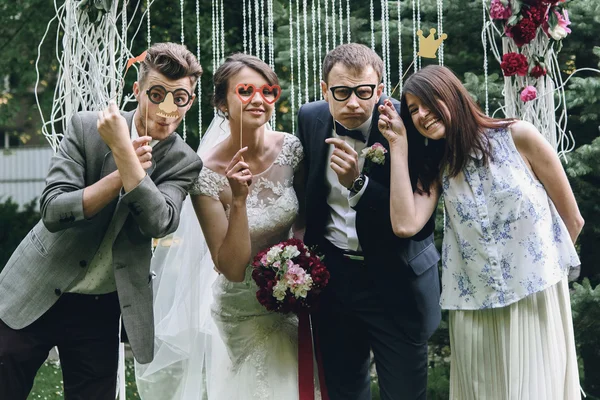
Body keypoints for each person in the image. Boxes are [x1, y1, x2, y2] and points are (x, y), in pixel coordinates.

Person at [0, 42, 203, 399]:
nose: (167, 109)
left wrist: (124, 155)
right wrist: (122, 166)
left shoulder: (184, 162)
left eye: (180, 98)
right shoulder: (86, 127)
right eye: (157, 94)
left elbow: (160, 222)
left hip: (101, 305)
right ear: (137, 91)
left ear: (191, 100)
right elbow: (53, 210)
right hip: (37, 284)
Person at [378, 64, 583, 400]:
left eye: (429, 103)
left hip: (534, 301)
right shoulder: (437, 169)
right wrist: (398, 145)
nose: (422, 115)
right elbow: (405, 224)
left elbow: (572, 219)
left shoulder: (519, 136)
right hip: (474, 312)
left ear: (453, 96)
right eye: (413, 110)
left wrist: (542, 278)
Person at [135, 53, 307, 400]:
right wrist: (239, 202)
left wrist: (302, 272)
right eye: (245, 91)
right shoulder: (206, 174)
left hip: (296, 299)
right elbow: (229, 266)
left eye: (267, 91)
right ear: (222, 103)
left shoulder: (292, 149)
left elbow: (305, 224)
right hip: (243, 307)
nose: (258, 99)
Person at [296, 43, 441, 400]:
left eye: (364, 92)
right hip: (334, 283)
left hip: (397, 282)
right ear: (324, 89)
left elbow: (416, 222)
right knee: (343, 391)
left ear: (379, 90)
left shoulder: (410, 126)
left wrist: (360, 184)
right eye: (341, 92)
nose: (353, 104)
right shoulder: (310, 118)